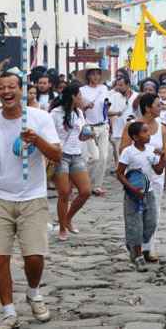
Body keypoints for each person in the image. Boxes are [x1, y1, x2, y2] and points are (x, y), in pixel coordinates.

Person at [0, 71, 62, 328]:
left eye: (12, 87)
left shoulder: (40, 118)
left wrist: (36, 140)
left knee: (34, 257)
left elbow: (57, 154)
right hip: (0, 196)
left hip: (33, 196)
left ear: (22, 90)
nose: (7, 92)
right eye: (2, 88)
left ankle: (33, 292)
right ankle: (8, 311)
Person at [120, 93, 166, 262]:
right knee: (135, 214)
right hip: (136, 178)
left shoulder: (163, 128)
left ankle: (148, 246)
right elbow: (123, 149)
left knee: (153, 213)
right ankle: (135, 244)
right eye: (158, 105)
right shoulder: (132, 127)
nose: (161, 108)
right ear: (147, 108)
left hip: (156, 177)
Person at [116, 121, 166, 271]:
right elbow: (119, 173)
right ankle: (137, 255)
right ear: (135, 137)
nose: (148, 135)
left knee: (151, 222)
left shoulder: (151, 151)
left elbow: (158, 170)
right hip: (133, 194)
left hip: (148, 191)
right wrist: (131, 188)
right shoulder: (128, 152)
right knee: (135, 224)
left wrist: (163, 158)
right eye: (145, 132)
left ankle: (135, 245)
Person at [50, 83, 92, 241]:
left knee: (85, 191)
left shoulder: (79, 113)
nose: (81, 98)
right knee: (64, 193)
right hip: (60, 155)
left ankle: (68, 218)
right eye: (80, 95)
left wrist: (86, 135)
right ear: (73, 96)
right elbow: (49, 133)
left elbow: (80, 134)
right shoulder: (55, 113)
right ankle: (62, 227)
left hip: (76, 154)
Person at [79, 66, 112, 197]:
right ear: (88, 76)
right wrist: (86, 106)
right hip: (88, 126)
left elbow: (108, 104)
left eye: (98, 74)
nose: (96, 77)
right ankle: (84, 182)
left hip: (103, 125)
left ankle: (97, 185)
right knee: (93, 157)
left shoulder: (104, 89)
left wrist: (108, 105)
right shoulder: (82, 90)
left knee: (103, 157)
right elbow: (79, 106)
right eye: (92, 74)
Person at [108, 76, 138, 168]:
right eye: (117, 85)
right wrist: (116, 113)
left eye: (121, 85)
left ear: (128, 85)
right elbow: (106, 112)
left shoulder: (136, 96)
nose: (118, 87)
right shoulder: (113, 97)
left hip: (133, 132)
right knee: (121, 157)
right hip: (118, 132)